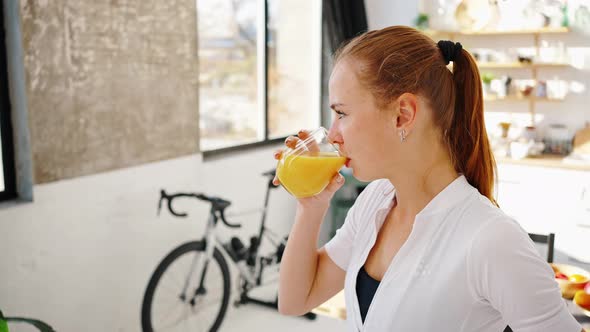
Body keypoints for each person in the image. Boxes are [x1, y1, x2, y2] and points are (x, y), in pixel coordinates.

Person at [272, 25, 585, 332]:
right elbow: (295, 301)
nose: (334, 134)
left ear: (403, 114)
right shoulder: (374, 203)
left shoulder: (491, 240)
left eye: (342, 113)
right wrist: (310, 207)